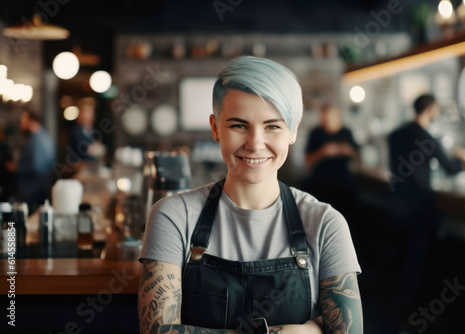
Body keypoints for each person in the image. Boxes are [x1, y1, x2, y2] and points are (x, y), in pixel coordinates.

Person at [138, 56, 362, 334]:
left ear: (293, 130)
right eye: (239, 125)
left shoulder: (326, 224)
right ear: (215, 128)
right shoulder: (173, 216)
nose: (255, 143)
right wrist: (304, 331)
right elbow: (156, 331)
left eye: (273, 126)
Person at [388, 94, 465, 316]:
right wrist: (462, 160)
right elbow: (450, 167)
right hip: (419, 208)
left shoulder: (396, 134)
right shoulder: (426, 138)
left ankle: (394, 306)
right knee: (416, 260)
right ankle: (409, 309)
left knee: (401, 257)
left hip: (395, 206)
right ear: (430, 109)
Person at [302, 104, 360, 222]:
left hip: (343, 182)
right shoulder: (315, 133)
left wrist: (348, 150)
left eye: (329, 117)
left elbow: (358, 157)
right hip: (320, 182)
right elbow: (307, 161)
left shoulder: (346, 132)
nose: (325, 120)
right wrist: (322, 152)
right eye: (323, 117)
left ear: (337, 116)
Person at [16, 109, 56, 214]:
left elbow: (37, 166)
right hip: (42, 185)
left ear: (31, 122)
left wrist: (18, 168)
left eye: (23, 121)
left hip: (32, 189)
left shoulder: (37, 139)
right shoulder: (44, 135)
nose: (21, 124)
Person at [69, 97, 104, 163]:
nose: (89, 114)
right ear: (80, 113)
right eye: (86, 111)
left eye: (91, 112)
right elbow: (85, 151)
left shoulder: (92, 131)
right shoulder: (76, 132)